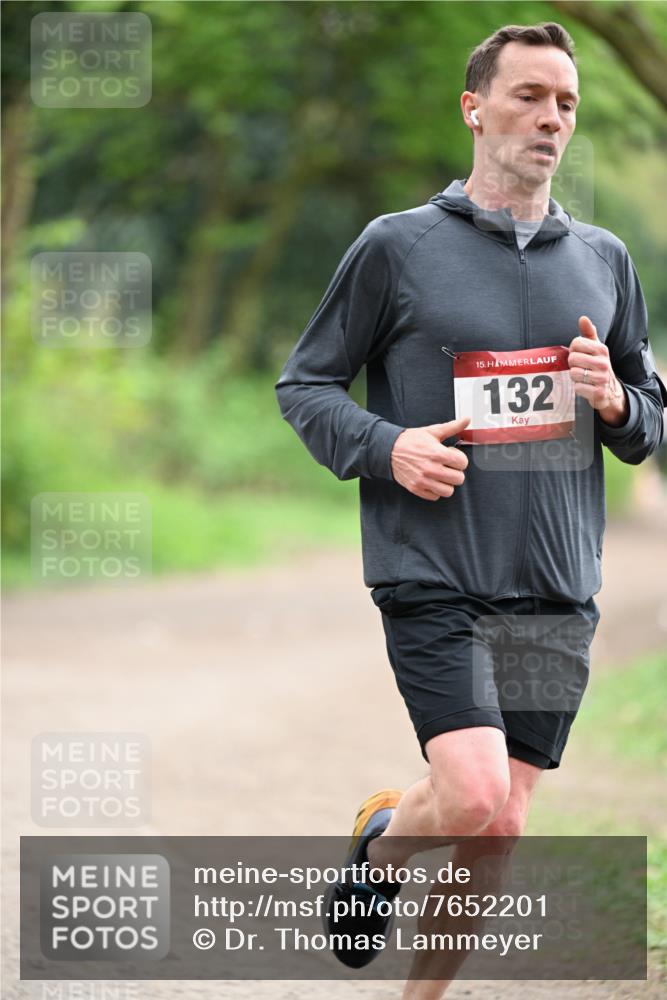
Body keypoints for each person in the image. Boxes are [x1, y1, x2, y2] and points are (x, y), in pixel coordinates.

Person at [275, 20, 666, 997]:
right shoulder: (396, 247)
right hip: (435, 573)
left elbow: (648, 416)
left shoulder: (605, 260)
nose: (550, 118)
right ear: (474, 109)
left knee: (500, 821)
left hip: (556, 584)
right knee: (476, 792)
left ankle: (417, 980)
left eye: (565, 103)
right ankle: (382, 844)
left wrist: (615, 402)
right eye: (528, 95)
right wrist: (388, 445)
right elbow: (305, 384)